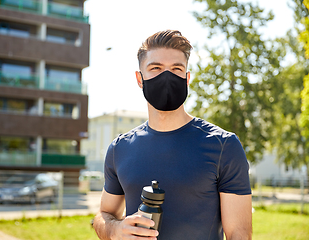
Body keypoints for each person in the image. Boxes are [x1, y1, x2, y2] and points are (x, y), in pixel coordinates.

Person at [93, 30, 252, 240]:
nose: (166, 76)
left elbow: (239, 234)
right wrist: (114, 229)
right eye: (156, 68)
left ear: (187, 78)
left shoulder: (223, 145)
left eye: (176, 69)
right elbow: (104, 215)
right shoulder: (120, 149)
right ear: (139, 79)